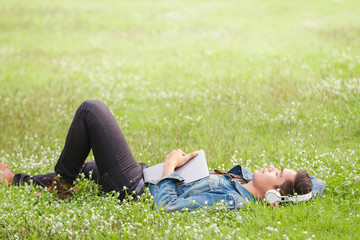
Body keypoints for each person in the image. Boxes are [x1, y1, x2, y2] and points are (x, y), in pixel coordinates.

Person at [0, 100, 325, 211]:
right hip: (142, 173)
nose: (270, 167)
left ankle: (61, 183)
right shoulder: (241, 181)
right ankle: (19, 179)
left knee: (92, 110)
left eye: (277, 173)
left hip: (135, 187)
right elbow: (317, 186)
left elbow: (168, 205)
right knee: (90, 167)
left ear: (272, 192)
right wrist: (294, 194)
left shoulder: (233, 198)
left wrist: (171, 165)